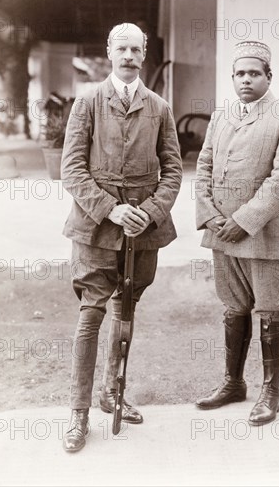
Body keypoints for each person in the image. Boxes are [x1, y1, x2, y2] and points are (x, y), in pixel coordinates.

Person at [61, 22, 182, 452]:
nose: (129, 56)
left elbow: (173, 170)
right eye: (122, 48)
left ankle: (112, 392)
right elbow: (72, 168)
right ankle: (78, 412)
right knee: (91, 313)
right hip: (96, 228)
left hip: (143, 232)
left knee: (127, 306)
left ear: (144, 54)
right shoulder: (88, 101)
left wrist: (147, 213)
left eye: (136, 49)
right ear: (109, 52)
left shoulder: (160, 107)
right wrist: (111, 209)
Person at [195, 41, 279, 426]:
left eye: (254, 73)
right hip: (222, 233)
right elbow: (204, 165)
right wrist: (209, 215)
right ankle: (232, 383)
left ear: (269, 77)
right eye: (240, 74)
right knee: (233, 306)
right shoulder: (221, 116)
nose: (246, 80)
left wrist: (242, 220)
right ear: (232, 78)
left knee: (271, 310)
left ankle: (270, 391)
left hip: (264, 233)